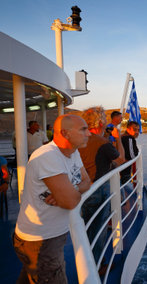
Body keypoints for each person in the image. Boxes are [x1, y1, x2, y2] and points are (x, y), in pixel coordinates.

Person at [13, 114, 91, 283]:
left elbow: (87, 182)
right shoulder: (48, 156)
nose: (89, 134)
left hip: (50, 235)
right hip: (40, 241)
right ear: (65, 133)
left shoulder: (73, 152)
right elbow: (70, 202)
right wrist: (68, 195)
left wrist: (70, 190)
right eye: (83, 129)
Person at [78, 106, 125, 266]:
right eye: (104, 120)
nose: (106, 123)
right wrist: (117, 139)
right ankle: (97, 265)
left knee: (86, 227)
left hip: (81, 189)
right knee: (98, 230)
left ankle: (86, 261)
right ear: (99, 123)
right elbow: (121, 161)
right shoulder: (102, 143)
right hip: (98, 189)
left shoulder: (79, 139)